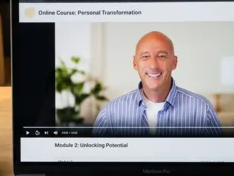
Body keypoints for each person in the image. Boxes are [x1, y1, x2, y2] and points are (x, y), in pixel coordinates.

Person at [92, 31, 222, 136]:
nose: (153, 65)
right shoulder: (110, 114)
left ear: (174, 62)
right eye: (145, 57)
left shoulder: (202, 111)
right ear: (135, 63)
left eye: (161, 56)